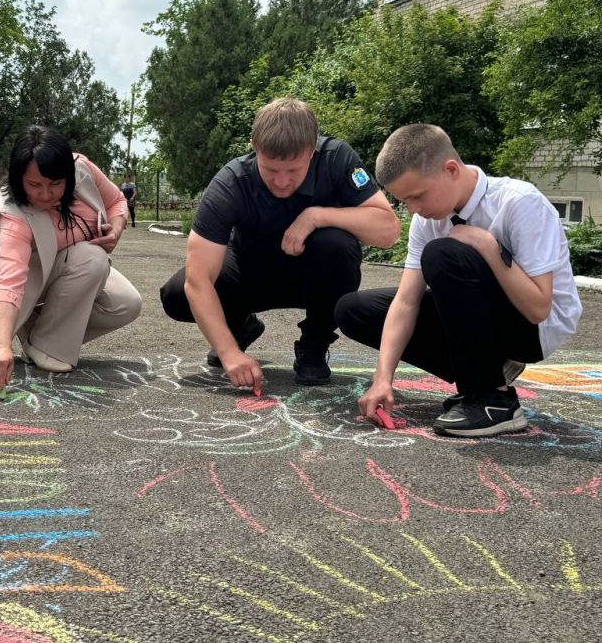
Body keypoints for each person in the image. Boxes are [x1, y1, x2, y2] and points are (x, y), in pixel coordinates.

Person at [336, 124, 582, 437]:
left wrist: (489, 247)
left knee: (444, 253)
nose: (413, 210)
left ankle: (493, 399)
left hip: (534, 330)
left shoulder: (519, 203)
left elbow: (539, 309)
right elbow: (407, 300)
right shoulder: (429, 218)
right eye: (404, 201)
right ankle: (487, 367)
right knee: (352, 309)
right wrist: (383, 378)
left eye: (417, 196)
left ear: (450, 169)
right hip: (486, 318)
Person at [160, 97, 400, 394]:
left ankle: (314, 345)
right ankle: (240, 327)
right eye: (271, 170)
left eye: (294, 170)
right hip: (251, 275)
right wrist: (228, 352)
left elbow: (388, 231)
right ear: (254, 147)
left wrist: (317, 216)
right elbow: (198, 281)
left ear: (312, 151)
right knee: (177, 293)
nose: (283, 182)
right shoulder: (231, 181)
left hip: (312, 276)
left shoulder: (337, 158)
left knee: (338, 244)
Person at [0, 126, 141, 386]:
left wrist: (117, 227)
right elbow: (10, 282)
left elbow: (116, 202)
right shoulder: (13, 213)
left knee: (126, 303)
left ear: (68, 175)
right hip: (29, 283)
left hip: (73, 270)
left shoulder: (82, 168)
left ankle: (39, 336)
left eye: (55, 184)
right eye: (34, 185)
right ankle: (45, 346)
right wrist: (1, 346)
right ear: (18, 178)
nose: (45, 194)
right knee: (93, 258)